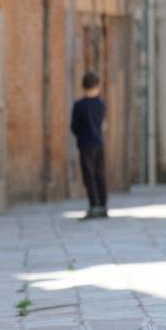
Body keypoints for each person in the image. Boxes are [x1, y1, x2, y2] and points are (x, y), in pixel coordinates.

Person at [71, 72, 108, 219]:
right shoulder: (101, 104)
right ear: (97, 86)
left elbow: (74, 126)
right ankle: (103, 205)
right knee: (100, 174)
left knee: (89, 175)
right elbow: (102, 124)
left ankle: (94, 205)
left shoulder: (79, 105)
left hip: (85, 144)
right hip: (99, 143)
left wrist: (81, 135)